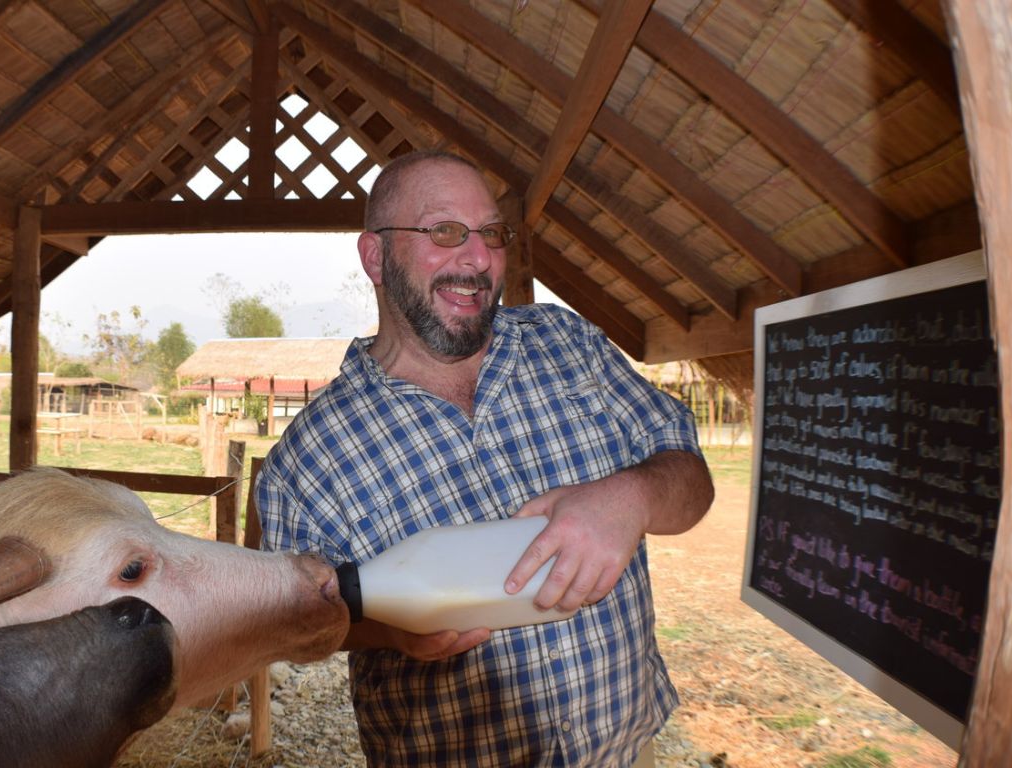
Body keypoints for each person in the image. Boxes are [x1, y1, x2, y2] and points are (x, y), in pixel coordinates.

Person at [254, 149, 714, 767]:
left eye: (492, 234)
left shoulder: (569, 345)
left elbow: (692, 477)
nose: (477, 259)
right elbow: (287, 624)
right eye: (444, 232)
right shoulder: (309, 461)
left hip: (628, 752)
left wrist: (634, 495)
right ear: (375, 257)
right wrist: (390, 630)